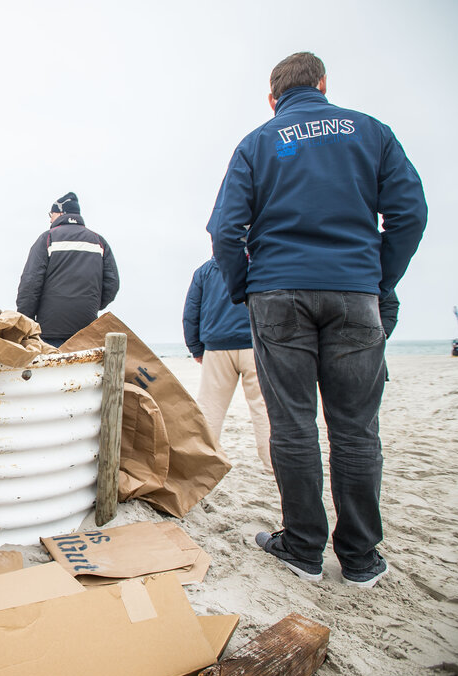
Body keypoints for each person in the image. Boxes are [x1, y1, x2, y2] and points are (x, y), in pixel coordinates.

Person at [208, 52, 426, 588]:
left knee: (293, 425)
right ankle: (360, 558)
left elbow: (224, 230)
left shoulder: (258, 142)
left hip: (279, 293)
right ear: (324, 84)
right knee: (355, 430)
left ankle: (304, 548)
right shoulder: (371, 132)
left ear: (272, 96)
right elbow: (410, 213)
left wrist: (244, 287)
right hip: (354, 290)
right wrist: (378, 279)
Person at [183, 255, 271, 469]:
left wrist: (195, 347)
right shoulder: (260, 264)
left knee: (210, 409)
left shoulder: (205, 271)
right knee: (264, 408)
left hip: (217, 346)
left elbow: (190, 313)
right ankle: (273, 463)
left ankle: (201, 465)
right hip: (255, 345)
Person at [16, 192, 119, 347]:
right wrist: (91, 305)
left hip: (49, 331)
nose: (50, 219)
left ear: (61, 213)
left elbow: (30, 283)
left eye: (51, 214)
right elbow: (112, 285)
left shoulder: (48, 239)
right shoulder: (99, 242)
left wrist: (26, 323)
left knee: (53, 371)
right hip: (86, 329)